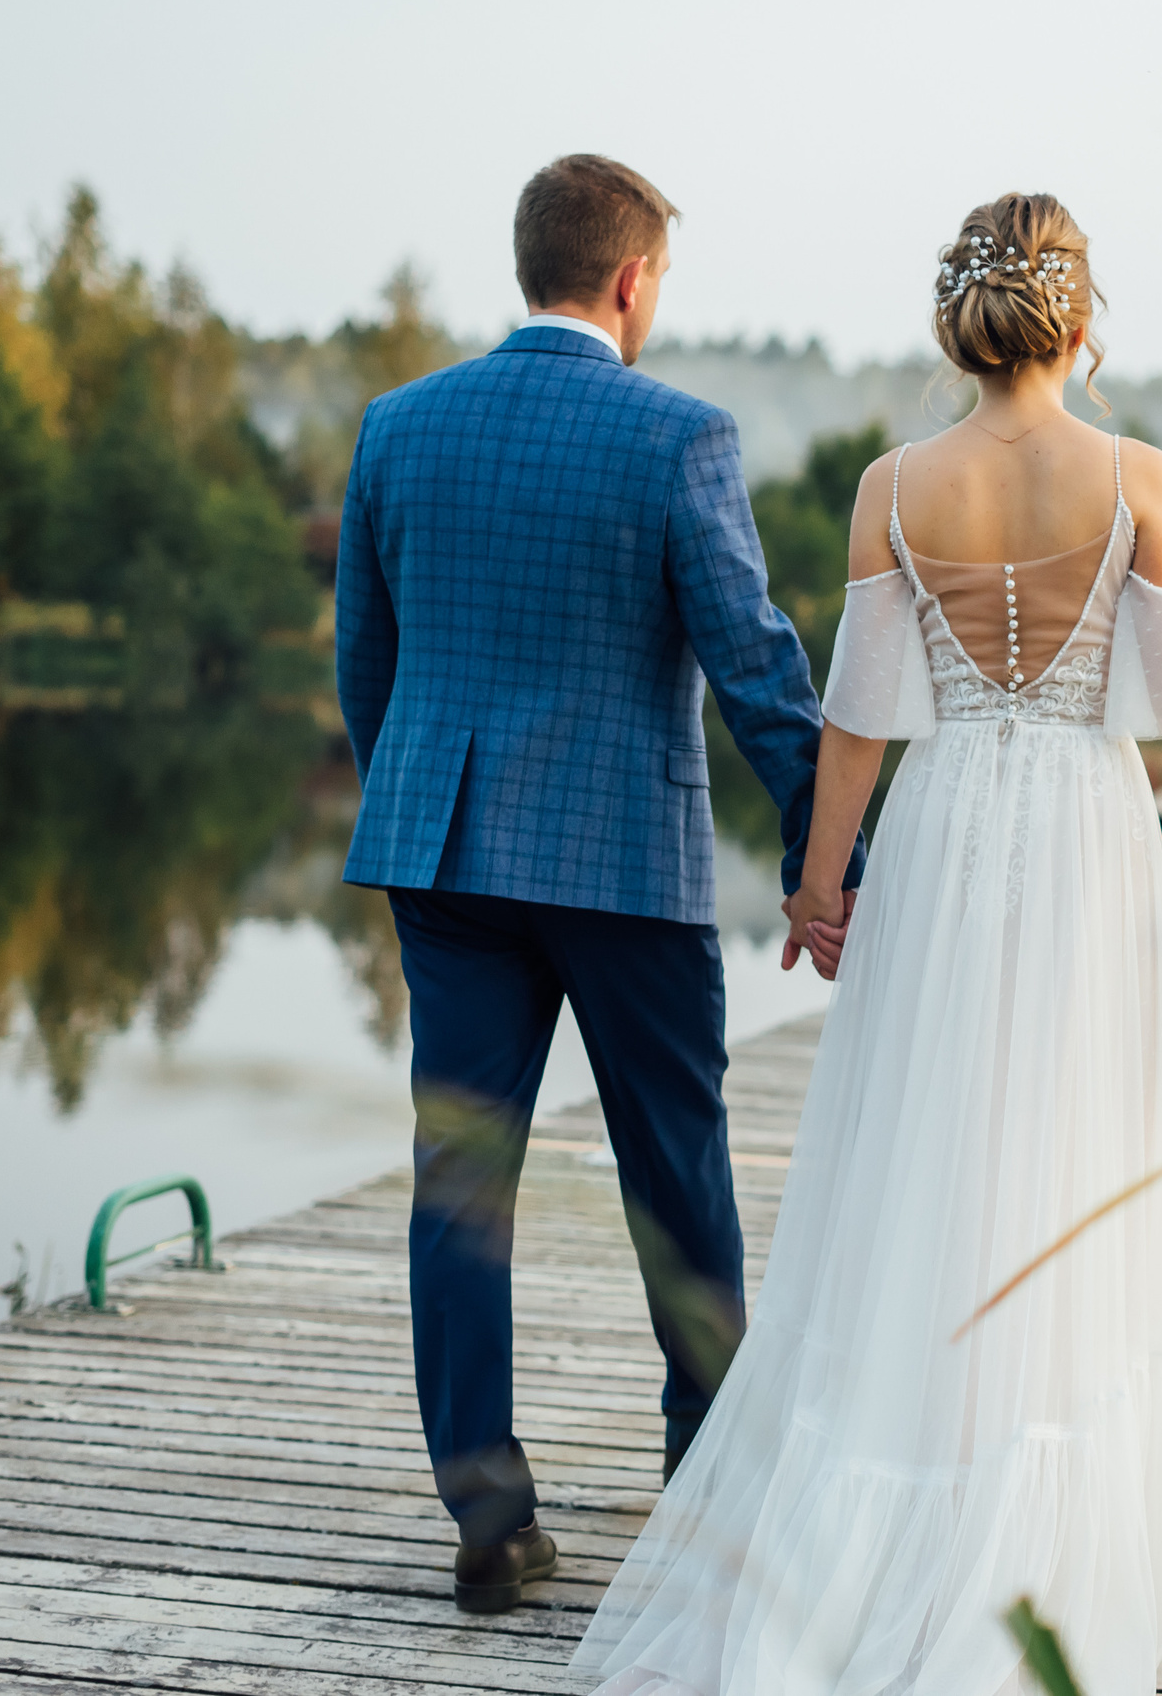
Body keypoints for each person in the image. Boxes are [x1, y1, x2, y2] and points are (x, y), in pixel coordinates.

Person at [572, 193, 1162, 1696]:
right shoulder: (1140, 479)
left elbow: (858, 722)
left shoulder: (894, 486)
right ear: (1080, 316)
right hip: (1084, 844)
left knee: (924, 1160)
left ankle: (881, 1519)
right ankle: (1046, 1554)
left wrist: (821, 889)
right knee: (1070, 1154)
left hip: (945, 823)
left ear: (957, 321)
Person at [334, 154, 864, 1616]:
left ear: (533, 267)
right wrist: (836, 858)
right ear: (631, 280)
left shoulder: (400, 426)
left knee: (460, 1189)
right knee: (675, 1175)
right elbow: (758, 666)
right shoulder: (680, 435)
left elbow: (363, 666)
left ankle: (488, 1522)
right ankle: (708, 1484)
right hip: (625, 858)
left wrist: (421, 805)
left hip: (442, 858)